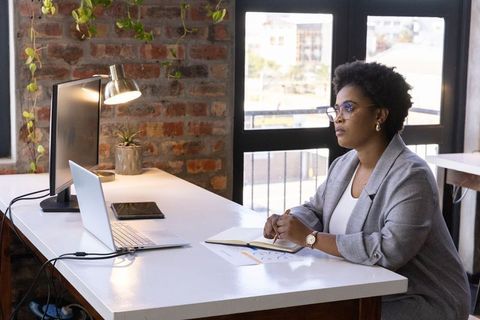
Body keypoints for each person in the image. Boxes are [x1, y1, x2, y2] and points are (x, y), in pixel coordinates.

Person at [264, 61, 470, 320]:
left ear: (380, 116)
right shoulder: (344, 164)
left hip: (420, 299)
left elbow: (389, 250)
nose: (338, 117)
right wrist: (287, 222)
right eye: (336, 109)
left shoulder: (410, 175)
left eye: (348, 108)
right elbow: (315, 209)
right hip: (361, 288)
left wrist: (310, 238)